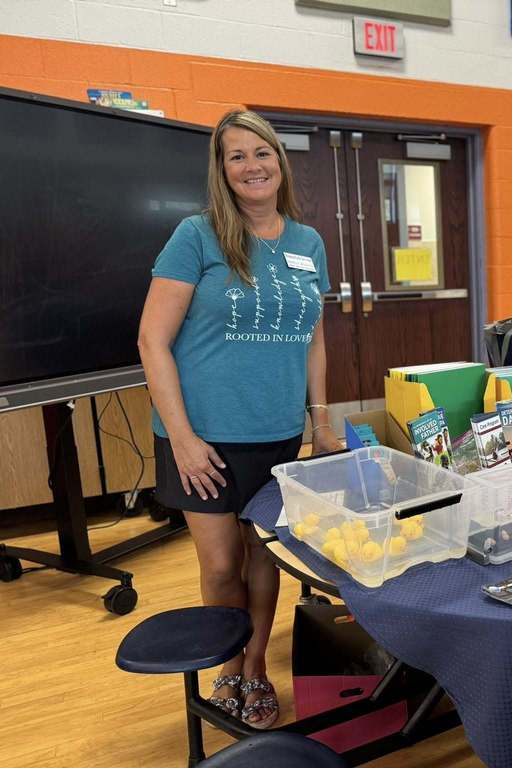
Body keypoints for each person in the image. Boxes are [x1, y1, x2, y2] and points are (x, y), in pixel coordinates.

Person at [137, 110, 341, 729]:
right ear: (222, 170)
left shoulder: (308, 242)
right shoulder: (196, 236)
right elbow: (152, 341)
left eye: (262, 153)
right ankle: (226, 667)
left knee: (264, 556)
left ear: (279, 161)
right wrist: (182, 439)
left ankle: (255, 667)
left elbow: (313, 339)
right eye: (237, 156)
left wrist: (321, 423)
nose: (252, 166)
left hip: (276, 433)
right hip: (203, 438)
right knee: (223, 565)